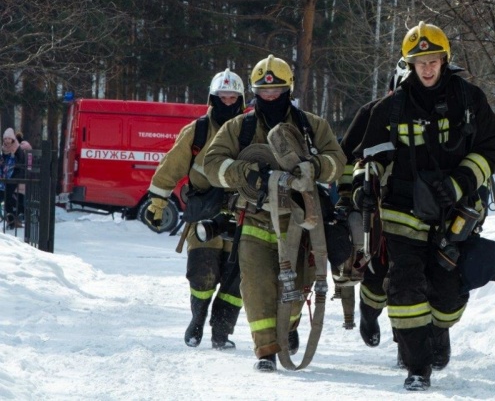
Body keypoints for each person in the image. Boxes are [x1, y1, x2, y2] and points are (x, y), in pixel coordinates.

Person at [353, 21, 495, 390]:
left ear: (445, 59)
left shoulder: (469, 99)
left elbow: (491, 146)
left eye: (433, 59)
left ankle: (438, 330)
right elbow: (368, 155)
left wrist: (460, 184)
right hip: (402, 208)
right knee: (404, 283)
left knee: (448, 292)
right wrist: (364, 184)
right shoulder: (390, 107)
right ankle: (416, 366)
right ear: (409, 64)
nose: (427, 68)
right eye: (419, 61)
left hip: (453, 210)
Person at [203, 55, 345, 372]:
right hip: (254, 219)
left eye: (276, 91)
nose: (269, 97)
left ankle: (288, 326)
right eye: (263, 92)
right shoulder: (239, 127)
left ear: (288, 89)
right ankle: (266, 351)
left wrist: (316, 167)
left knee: (294, 293)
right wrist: (246, 174)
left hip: (300, 223)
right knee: (255, 287)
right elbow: (212, 166)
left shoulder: (311, 126)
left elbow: (338, 160)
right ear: (255, 92)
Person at [144, 69, 246, 349]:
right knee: (203, 271)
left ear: (241, 99)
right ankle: (198, 319)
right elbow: (171, 165)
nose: (228, 102)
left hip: (243, 212)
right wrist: (157, 201)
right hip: (204, 209)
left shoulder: (251, 130)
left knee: (235, 277)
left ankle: (221, 333)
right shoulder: (198, 130)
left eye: (233, 97)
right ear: (213, 98)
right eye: (222, 97)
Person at [334, 58, 410, 344]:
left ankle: (408, 343)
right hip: (376, 207)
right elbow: (346, 159)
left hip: (420, 208)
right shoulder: (372, 113)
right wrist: (347, 197)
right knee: (377, 273)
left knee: (413, 278)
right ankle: (369, 312)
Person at [1, 128, 26, 229]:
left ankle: (14, 218)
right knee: (7, 198)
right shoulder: (4, 149)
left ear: (13, 139)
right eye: (5, 138)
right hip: (6, 177)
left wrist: (13, 175)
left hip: (15, 178)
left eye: (9, 138)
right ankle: (12, 219)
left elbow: (20, 166)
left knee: (8, 198)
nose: (7, 140)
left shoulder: (17, 149)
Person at [15, 132, 31, 220]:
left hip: (19, 174)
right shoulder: (28, 148)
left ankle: (20, 214)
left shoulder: (19, 149)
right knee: (23, 195)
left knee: (18, 196)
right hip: (26, 175)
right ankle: (24, 214)